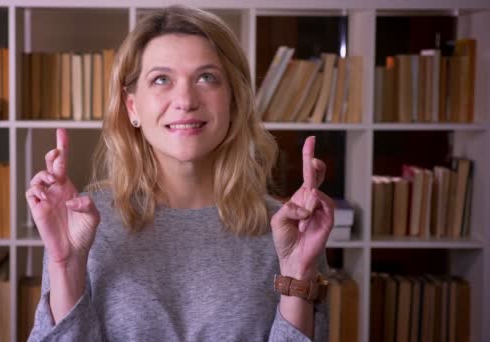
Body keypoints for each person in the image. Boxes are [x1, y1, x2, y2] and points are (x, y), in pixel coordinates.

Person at [26, 5, 333, 342]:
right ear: (132, 107)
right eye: (161, 79)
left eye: (207, 77)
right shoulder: (82, 226)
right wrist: (66, 264)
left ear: (233, 100)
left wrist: (296, 273)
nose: (185, 100)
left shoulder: (289, 233)